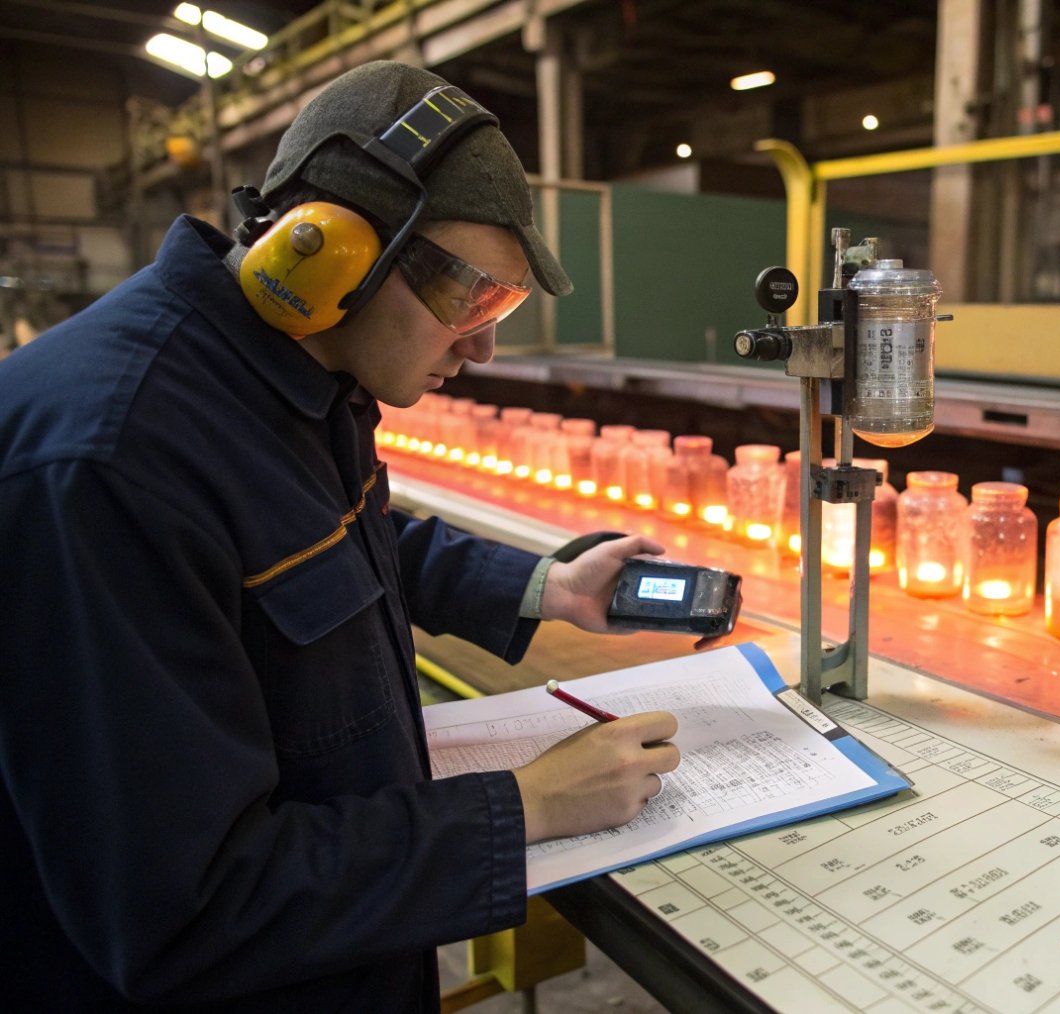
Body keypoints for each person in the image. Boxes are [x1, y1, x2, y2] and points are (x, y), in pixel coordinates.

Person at [0, 61, 683, 1011]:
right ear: (329, 253)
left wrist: (546, 590)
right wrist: (524, 807)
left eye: (504, 308)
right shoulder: (110, 469)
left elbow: (337, 538)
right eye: (469, 298)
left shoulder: (285, 377)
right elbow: (187, 910)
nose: (483, 347)